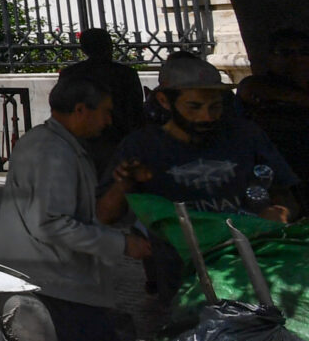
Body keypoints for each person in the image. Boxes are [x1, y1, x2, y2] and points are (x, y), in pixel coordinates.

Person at [0, 76, 152, 341]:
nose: (109, 120)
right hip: (55, 287)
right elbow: (53, 224)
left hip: (53, 283)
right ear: (81, 110)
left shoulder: (51, 144)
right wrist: (121, 245)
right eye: (106, 112)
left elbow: (77, 213)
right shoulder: (53, 151)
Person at [117, 52, 300, 223]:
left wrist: (280, 211)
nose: (207, 117)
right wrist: (125, 183)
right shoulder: (140, 146)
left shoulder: (247, 135)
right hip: (179, 254)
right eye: (194, 107)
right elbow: (106, 216)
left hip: (248, 249)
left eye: (215, 106)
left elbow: (286, 195)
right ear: (164, 101)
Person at [63, 28, 149, 171]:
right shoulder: (126, 74)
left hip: (82, 141)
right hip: (119, 139)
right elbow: (136, 111)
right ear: (109, 45)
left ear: (84, 49)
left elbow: (64, 108)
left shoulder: (71, 74)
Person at [237, 28, 309, 177]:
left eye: (304, 52)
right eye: (285, 53)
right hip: (275, 165)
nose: (297, 58)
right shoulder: (258, 85)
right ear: (270, 57)